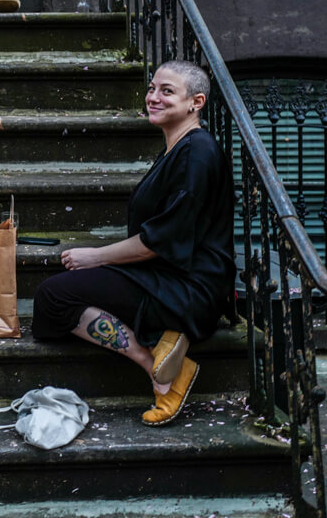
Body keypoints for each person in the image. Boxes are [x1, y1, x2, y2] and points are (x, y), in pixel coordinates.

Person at [31, 60, 236, 426]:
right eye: (152, 88)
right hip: (168, 275)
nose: (153, 98)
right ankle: (165, 346)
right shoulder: (179, 149)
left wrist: (95, 256)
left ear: (196, 102)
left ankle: (161, 368)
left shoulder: (198, 154)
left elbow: (159, 241)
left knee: (53, 297)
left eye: (167, 91)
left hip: (189, 289)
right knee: (61, 291)